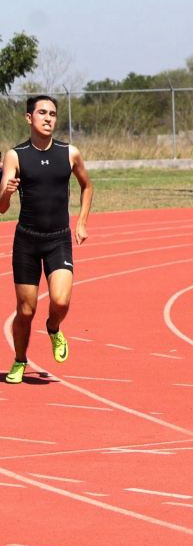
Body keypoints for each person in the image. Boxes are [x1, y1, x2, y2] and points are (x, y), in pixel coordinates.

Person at [2, 95, 94, 385]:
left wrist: (81, 222)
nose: (48, 118)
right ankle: (19, 360)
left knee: (60, 300)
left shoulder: (70, 153)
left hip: (58, 239)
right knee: (26, 310)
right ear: (29, 118)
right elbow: (1, 207)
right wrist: (7, 191)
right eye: (42, 112)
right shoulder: (15, 155)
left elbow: (87, 186)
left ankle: (54, 327)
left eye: (52, 113)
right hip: (27, 241)